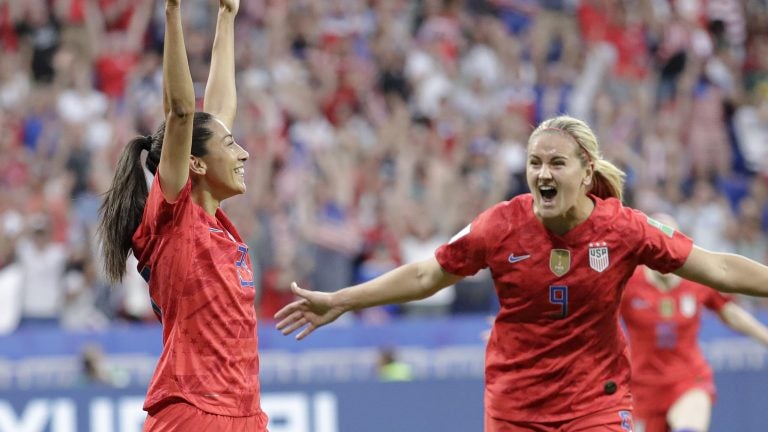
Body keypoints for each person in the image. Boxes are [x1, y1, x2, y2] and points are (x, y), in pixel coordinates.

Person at [276, 114, 768, 431]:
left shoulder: (624, 229)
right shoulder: (500, 225)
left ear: (585, 170)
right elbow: (428, 276)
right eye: (535, 163)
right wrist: (341, 300)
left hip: (594, 403)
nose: (543, 174)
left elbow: (719, 267)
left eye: (556, 163)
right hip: (516, 407)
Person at [97, 0, 268, 430]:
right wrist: (171, 12)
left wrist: (227, 18)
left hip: (245, 414)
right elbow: (182, 113)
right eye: (231, 148)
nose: (243, 152)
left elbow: (218, 115)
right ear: (194, 164)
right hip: (193, 414)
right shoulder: (174, 218)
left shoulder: (218, 226)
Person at [621, 214, 768, 432]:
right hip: (643, 389)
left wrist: (765, 337)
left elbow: (730, 313)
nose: (662, 249)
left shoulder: (696, 279)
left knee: (689, 426)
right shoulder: (628, 284)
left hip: (689, 380)